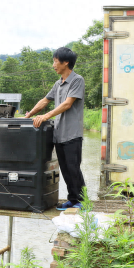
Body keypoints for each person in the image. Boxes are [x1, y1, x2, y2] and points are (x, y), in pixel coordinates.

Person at [24, 47, 86, 209]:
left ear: (66, 62)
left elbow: (67, 104)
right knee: (65, 169)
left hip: (72, 133)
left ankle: (83, 201)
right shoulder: (58, 84)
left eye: (55, 61)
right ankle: (73, 199)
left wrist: (45, 116)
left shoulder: (77, 80)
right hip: (59, 134)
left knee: (73, 168)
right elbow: (44, 101)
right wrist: (29, 115)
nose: (53, 65)